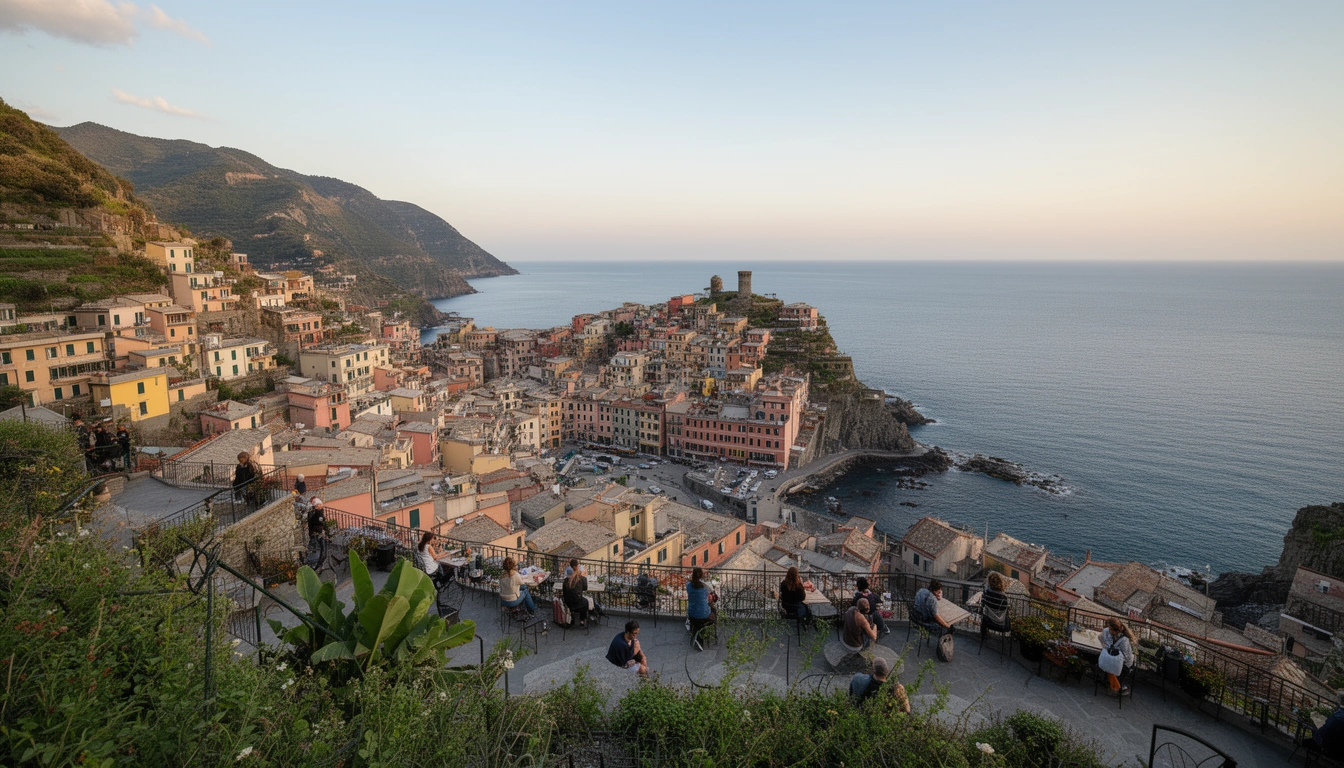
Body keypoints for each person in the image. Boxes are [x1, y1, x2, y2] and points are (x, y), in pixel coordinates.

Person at [1100, 617, 1137, 695]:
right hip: (1113, 658)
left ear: (1116, 631)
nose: (1109, 631)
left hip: (1124, 663)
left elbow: (1126, 656)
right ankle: (1112, 684)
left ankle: (1117, 686)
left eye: (1111, 629)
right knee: (1106, 663)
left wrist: (1114, 657)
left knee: (1109, 666)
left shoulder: (1124, 640)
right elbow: (1101, 637)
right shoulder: (1108, 632)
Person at [686, 566, 716, 650]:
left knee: (694, 609)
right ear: (701, 575)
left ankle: (696, 633)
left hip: (692, 614)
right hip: (704, 615)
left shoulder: (688, 585)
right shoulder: (705, 588)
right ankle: (712, 630)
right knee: (713, 609)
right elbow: (709, 598)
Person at [1310, 691, 1344, 761]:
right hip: (1341, 753)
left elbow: (1325, 732)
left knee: (1314, 728)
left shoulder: (1337, 716)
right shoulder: (1338, 715)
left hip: (1328, 749)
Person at [980, 572, 1011, 638]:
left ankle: (983, 637)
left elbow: (982, 605)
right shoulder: (1003, 597)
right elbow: (1004, 611)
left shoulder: (986, 594)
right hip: (1000, 624)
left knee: (983, 617)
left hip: (988, 622)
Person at [562, 558, 590, 627]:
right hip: (577, 603)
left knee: (576, 598)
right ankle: (582, 620)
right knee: (585, 602)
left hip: (568, 603)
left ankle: (571, 617)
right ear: (576, 567)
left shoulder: (566, 580)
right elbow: (585, 588)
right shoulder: (581, 578)